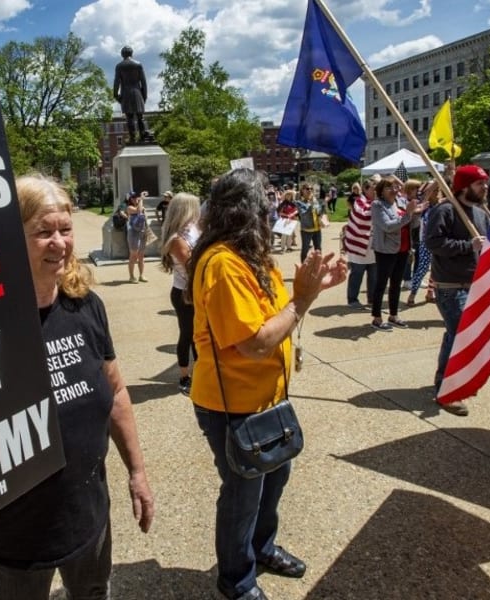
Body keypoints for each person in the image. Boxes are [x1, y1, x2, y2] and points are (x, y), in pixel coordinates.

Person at [0, 174, 155, 600]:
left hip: (88, 520)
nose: (60, 243)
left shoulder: (85, 304)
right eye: (43, 232)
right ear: (10, 239)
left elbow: (117, 393)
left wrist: (137, 472)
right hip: (15, 541)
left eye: (65, 229)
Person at [187, 168, 347, 600]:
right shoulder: (223, 264)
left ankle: (261, 549)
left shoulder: (253, 260)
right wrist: (303, 299)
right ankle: (236, 579)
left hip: (267, 400)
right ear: (248, 212)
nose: (271, 213)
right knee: (242, 495)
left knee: (274, 480)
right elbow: (255, 343)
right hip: (230, 405)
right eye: (266, 206)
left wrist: (313, 289)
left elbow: (280, 319)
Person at [425, 165, 490, 417]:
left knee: (455, 334)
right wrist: (468, 245)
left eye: (485, 183)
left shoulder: (481, 212)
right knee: (459, 336)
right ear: (464, 186)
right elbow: (433, 242)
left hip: (474, 284)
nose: (485, 187)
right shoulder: (446, 210)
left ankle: (448, 377)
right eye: (479, 184)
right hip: (451, 287)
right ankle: (446, 390)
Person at [160, 192, 201, 395]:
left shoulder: (194, 230)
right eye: (195, 208)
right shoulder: (177, 239)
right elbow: (192, 265)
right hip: (184, 292)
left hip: (197, 291)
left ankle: (200, 373)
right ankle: (185, 376)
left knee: (199, 334)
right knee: (188, 334)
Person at [369, 179, 416, 330]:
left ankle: (393, 315)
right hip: (385, 250)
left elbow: (410, 223)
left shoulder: (400, 202)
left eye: (395, 187)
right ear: (381, 191)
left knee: (396, 284)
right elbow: (387, 226)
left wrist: (415, 213)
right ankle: (377, 318)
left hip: (403, 249)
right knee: (381, 284)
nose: (393, 189)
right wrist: (408, 213)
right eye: (389, 187)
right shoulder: (377, 205)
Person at [342, 177, 377, 310]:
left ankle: (372, 299)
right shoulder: (359, 202)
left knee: (374, 275)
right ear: (366, 189)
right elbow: (362, 216)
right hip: (358, 246)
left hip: (373, 247)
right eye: (374, 189)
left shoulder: (377, 203)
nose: (376, 192)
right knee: (357, 274)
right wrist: (378, 207)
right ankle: (352, 299)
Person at [406, 181, 439, 306]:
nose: (436, 193)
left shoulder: (442, 204)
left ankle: (430, 292)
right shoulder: (425, 204)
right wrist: (438, 178)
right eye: (434, 191)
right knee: (423, 268)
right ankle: (412, 294)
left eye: (438, 191)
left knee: (437, 269)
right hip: (426, 241)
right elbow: (428, 191)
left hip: (440, 242)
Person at [112, 45, 148, 144]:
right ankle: (142, 135)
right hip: (137, 92)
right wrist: (144, 96)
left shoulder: (119, 66)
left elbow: (116, 82)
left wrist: (116, 95)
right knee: (140, 116)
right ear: (132, 53)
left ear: (122, 54)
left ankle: (132, 138)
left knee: (129, 117)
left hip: (126, 93)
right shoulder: (138, 64)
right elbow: (143, 82)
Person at [294, 182, 327, 265]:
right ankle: (303, 268)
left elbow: (319, 212)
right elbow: (303, 214)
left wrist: (323, 207)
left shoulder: (315, 200)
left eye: (311, 189)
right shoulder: (299, 202)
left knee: (318, 249)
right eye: (307, 189)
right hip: (306, 230)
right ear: (302, 190)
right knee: (305, 249)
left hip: (317, 228)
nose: (309, 190)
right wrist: (311, 205)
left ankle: (317, 266)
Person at [126, 192, 149, 282]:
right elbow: (138, 211)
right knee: (133, 255)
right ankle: (131, 276)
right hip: (133, 234)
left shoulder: (141, 206)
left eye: (136, 198)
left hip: (142, 233)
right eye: (134, 198)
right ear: (130, 200)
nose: (136, 199)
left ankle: (141, 275)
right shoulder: (129, 208)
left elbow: (144, 218)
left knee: (141, 256)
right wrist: (141, 200)